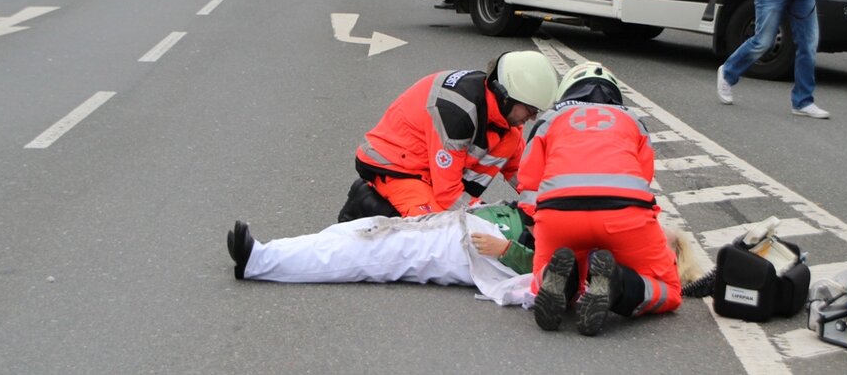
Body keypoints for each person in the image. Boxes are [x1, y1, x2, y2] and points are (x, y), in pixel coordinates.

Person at [225, 200, 705, 307]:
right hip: (466, 225)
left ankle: (261, 261)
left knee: (367, 255)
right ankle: (268, 254)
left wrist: (508, 249)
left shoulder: (607, 262)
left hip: (472, 251)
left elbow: (554, 276)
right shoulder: (606, 230)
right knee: (364, 230)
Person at [519, 62, 682, 336]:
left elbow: (529, 182)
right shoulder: (632, 120)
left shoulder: (550, 119)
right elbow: (644, 178)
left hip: (559, 216)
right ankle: (617, 284)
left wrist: (536, 226)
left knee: (540, 281)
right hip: (623, 215)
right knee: (670, 291)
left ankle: (567, 282)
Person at [347, 51, 560, 219]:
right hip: (397, 166)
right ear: (505, 97)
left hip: (433, 171)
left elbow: (522, 173)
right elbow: (448, 194)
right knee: (434, 232)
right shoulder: (458, 113)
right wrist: (490, 218)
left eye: (536, 112)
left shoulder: (506, 120)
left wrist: (553, 206)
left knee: (510, 142)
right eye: (530, 110)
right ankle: (365, 203)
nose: (532, 118)